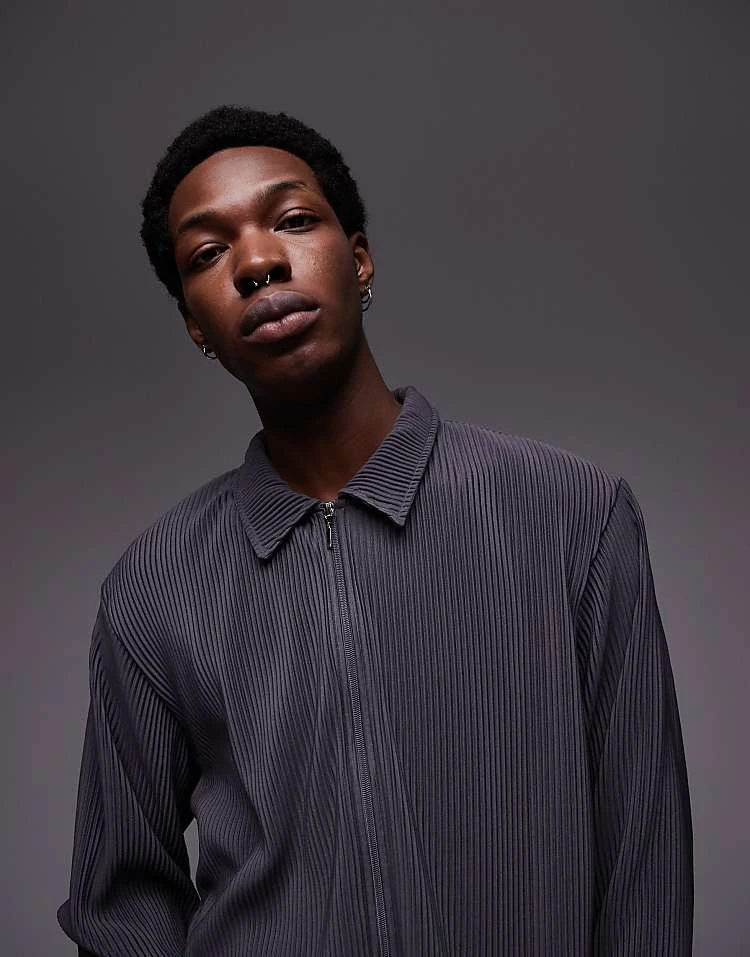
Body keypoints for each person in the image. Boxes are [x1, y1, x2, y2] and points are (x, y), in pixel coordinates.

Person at [58, 105, 693, 956]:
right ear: (196, 325)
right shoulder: (153, 588)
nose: (257, 261)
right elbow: (120, 908)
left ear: (358, 258)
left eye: (292, 219)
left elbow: (645, 871)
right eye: (207, 253)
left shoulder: (573, 514)